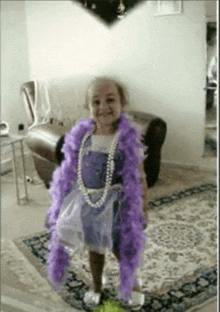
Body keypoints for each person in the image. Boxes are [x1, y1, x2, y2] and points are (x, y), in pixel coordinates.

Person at [46, 76, 148, 310]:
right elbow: (70, 171)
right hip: (88, 202)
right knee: (94, 248)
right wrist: (61, 201)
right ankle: (96, 284)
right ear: (88, 107)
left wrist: (144, 208)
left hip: (117, 205)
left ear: (122, 102)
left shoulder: (126, 139)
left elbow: (139, 178)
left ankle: (134, 283)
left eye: (110, 100)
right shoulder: (82, 137)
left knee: (121, 248)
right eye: (96, 102)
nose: (103, 107)